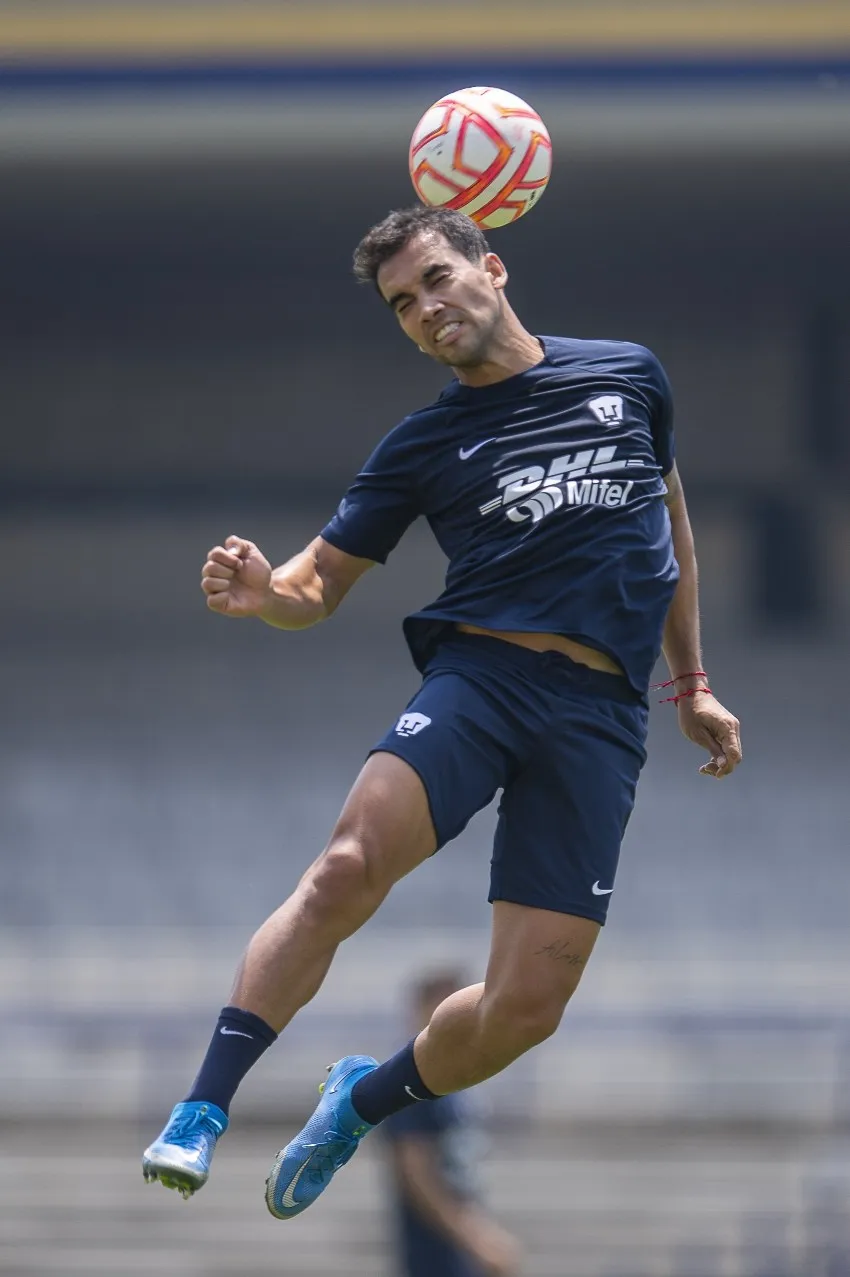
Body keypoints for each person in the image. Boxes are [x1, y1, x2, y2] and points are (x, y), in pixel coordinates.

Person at [142, 204, 742, 1217]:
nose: (424, 309)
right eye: (402, 304)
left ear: (490, 267)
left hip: (599, 716)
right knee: (344, 865)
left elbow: (668, 522)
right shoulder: (423, 443)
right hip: (482, 682)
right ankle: (202, 1106)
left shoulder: (628, 374)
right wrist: (263, 592)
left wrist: (691, 681)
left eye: (434, 280)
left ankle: (360, 1098)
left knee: (524, 1010)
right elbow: (314, 586)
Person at [383, 970, 521, 1277]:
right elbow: (415, 1170)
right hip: (435, 1248)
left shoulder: (453, 1079)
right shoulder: (410, 1082)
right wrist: (475, 1239)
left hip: (459, 1241)